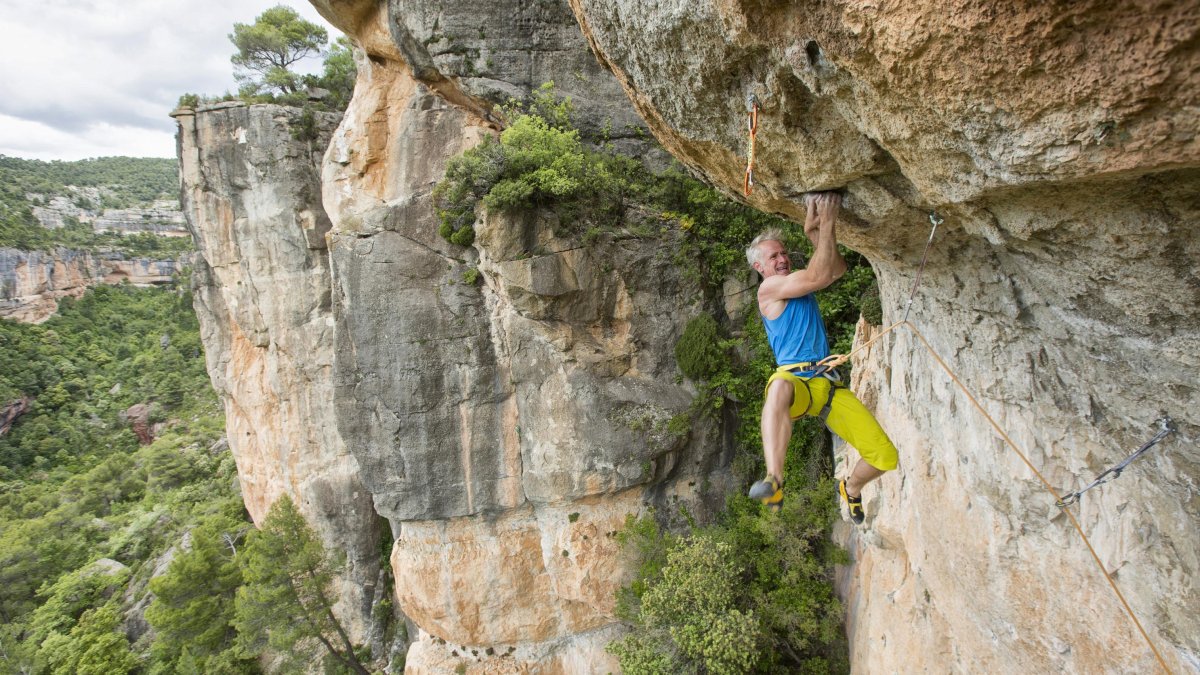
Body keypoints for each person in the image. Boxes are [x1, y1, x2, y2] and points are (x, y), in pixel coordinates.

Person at [745, 192, 898, 524]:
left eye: (784, 253)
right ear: (760, 267)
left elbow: (834, 270)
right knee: (778, 387)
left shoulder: (796, 282)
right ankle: (774, 480)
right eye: (773, 256)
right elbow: (819, 275)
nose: (782, 259)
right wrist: (827, 220)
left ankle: (851, 488)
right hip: (796, 380)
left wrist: (816, 234)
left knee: (885, 456)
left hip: (828, 387)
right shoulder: (768, 290)